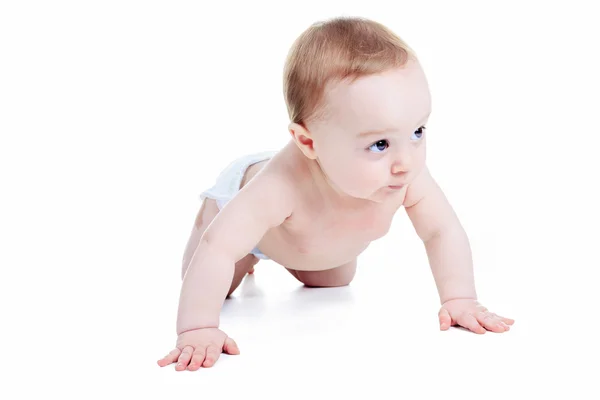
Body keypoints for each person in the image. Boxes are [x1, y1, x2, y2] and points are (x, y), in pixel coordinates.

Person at [157, 16, 514, 372]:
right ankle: (248, 258)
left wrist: (460, 298)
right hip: (238, 207)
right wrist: (198, 327)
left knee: (332, 279)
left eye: (418, 131)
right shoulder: (278, 186)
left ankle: (291, 255)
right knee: (212, 277)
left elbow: (441, 231)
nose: (406, 161)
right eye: (379, 143)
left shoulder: (404, 172)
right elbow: (217, 246)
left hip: (308, 236)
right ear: (308, 142)